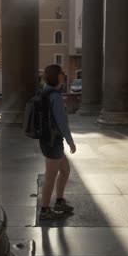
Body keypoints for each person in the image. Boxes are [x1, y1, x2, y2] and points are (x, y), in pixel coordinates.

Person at [39, 64, 77, 220]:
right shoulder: (55, 96)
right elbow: (62, 123)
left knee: (65, 169)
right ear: (58, 76)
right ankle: (45, 210)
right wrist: (70, 142)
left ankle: (59, 201)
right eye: (62, 72)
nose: (64, 73)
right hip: (53, 142)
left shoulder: (45, 92)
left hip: (49, 140)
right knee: (50, 177)